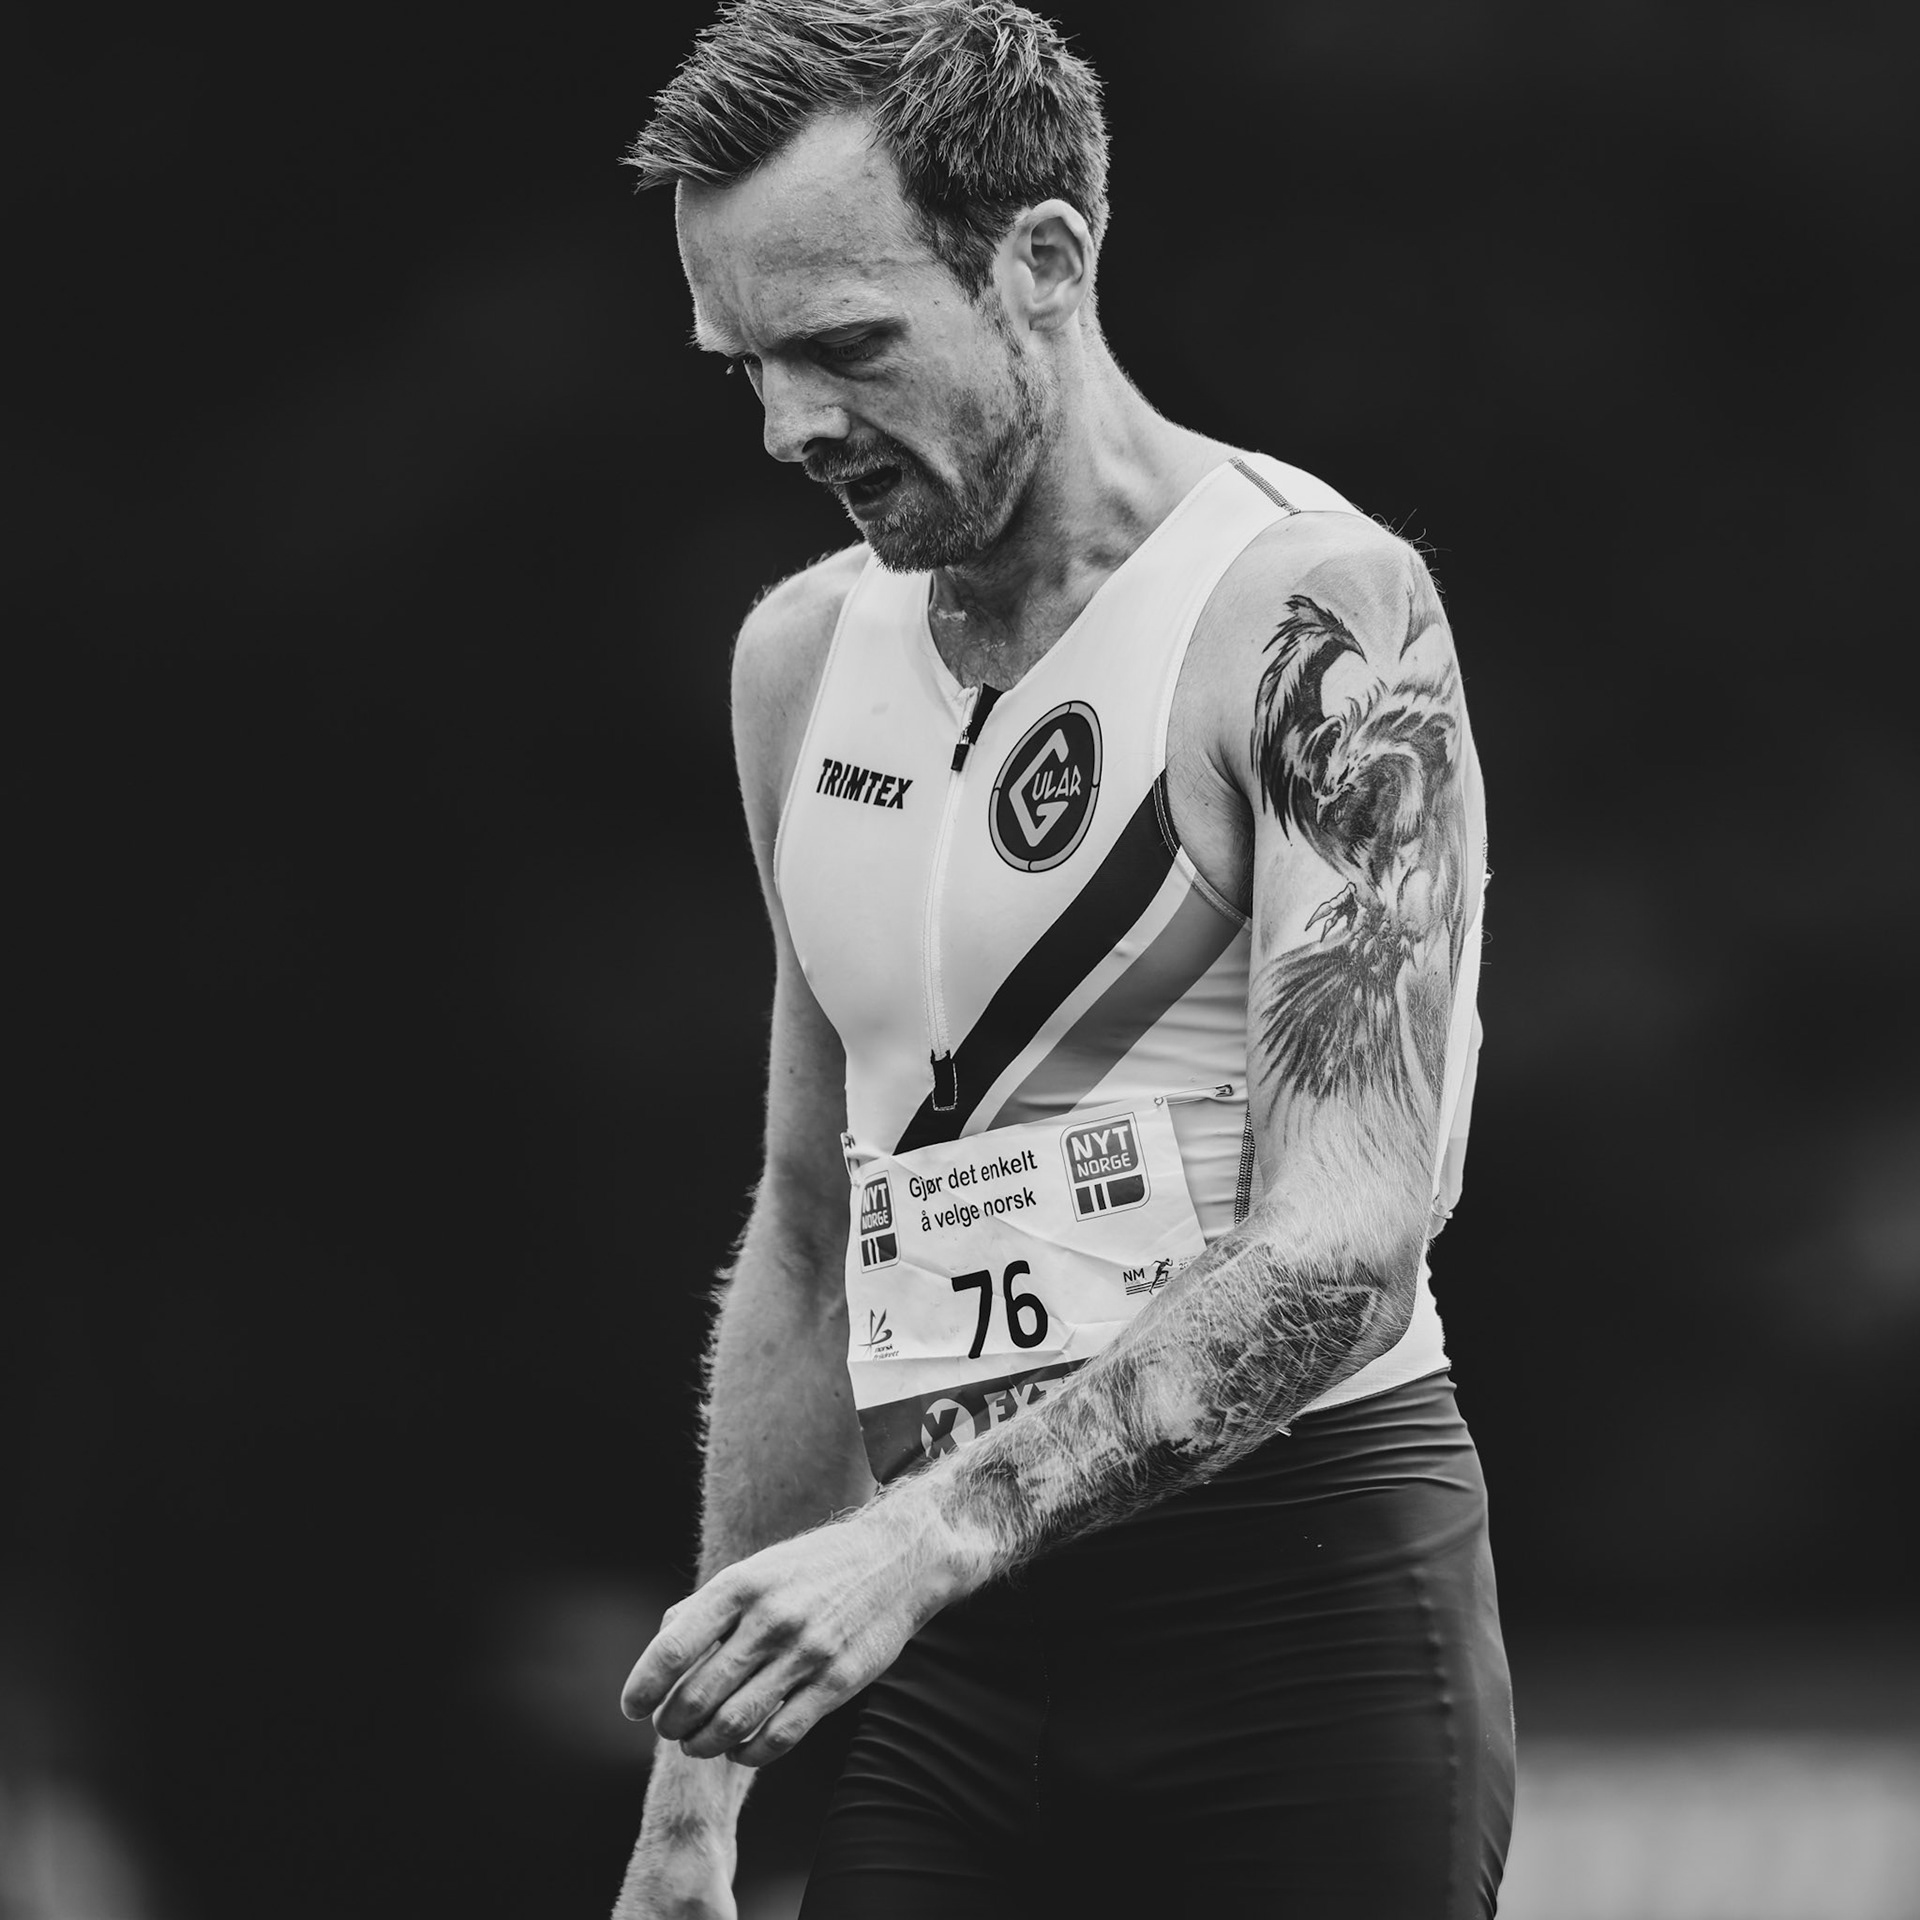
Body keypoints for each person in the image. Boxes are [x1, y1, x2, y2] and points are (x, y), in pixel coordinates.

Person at [611, 4, 1513, 1915]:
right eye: (745, 366)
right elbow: (808, 1230)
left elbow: (1350, 1246)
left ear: (1042, 258)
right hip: (946, 1649)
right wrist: (695, 1792)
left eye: (846, 348)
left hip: (1297, 1615)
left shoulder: (1315, 613)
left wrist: (921, 1539)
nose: (790, 429)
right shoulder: (799, 663)